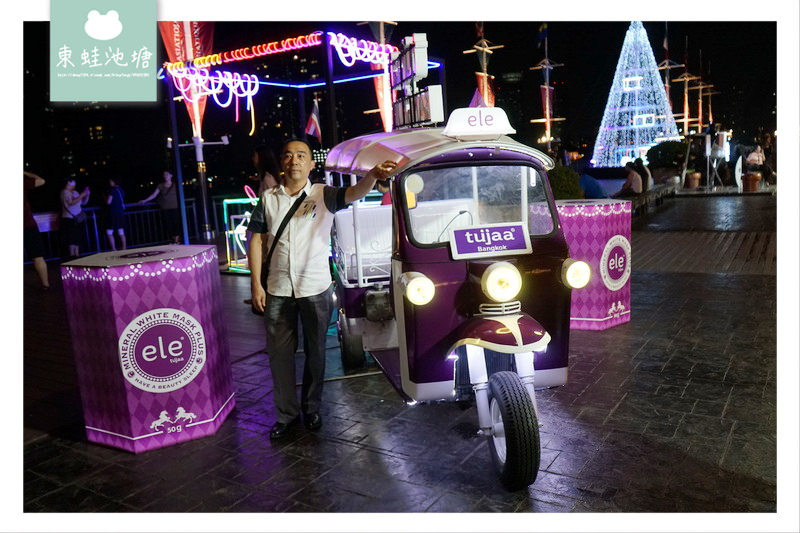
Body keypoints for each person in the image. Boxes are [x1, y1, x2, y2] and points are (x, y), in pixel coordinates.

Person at [247, 139, 397, 439]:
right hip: (278, 288)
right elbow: (256, 239)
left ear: (311, 164)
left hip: (314, 286)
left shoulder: (322, 195)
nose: (294, 161)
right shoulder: (269, 199)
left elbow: (354, 193)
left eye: (301, 155)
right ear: (282, 162)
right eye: (288, 155)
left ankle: (312, 408)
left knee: (316, 352)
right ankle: (286, 415)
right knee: (279, 356)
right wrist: (256, 285)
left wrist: (373, 176)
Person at [24, 171, 50, 290]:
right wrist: (24, 172)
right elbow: (41, 181)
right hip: (28, 224)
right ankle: (45, 284)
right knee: (37, 256)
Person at [139, 171, 180, 244]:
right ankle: (173, 239)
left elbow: (180, 194)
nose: (165, 176)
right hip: (165, 208)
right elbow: (154, 195)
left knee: (176, 223)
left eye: (167, 174)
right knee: (168, 224)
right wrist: (145, 200)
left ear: (171, 175)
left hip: (175, 207)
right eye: (164, 174)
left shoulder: (175, 185)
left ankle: (176, 240)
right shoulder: (160, 186)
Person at [60, 177, 90, 257]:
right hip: (69, 218)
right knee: (71, 238)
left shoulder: (75, 192)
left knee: (77, 237)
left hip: (77, 218)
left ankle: (77, 254)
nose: (73, 185)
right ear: (67, 184)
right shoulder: (64, 192)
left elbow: (82, 203)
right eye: (71, 183)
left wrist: (86, 195)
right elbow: (70, 202)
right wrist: (82, 195)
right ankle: (72, 255)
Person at [105, 177, 127, 251]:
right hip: (120, 212)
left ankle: (114, 249)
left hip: (112, 213)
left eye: (111, 181)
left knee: (109, 232)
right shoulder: (121, 190)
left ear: (114, 182)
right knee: (121, 230)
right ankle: (124, 248)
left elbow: (108, 202)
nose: (110, 182)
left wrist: (105, 198)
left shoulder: (112, 190)